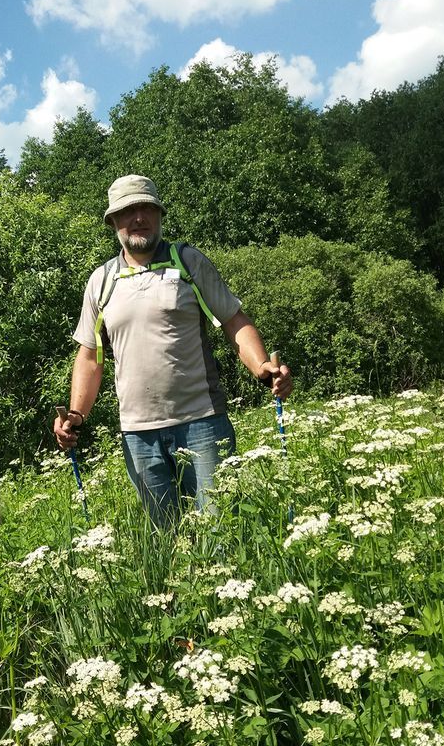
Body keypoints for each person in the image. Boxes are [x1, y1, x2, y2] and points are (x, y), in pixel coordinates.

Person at [53, 174, 292, 526]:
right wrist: (75, 415)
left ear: (160, 214)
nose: (139, 218)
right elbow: (90, 358)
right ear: (113, 222)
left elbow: (233, 320)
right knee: (164, 537)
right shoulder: (101, 282)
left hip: (202, 423)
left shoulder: (188, 262)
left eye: (146, 208)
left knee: (219, 531)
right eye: (128, 211)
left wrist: (262, 367)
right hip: (138, 434)